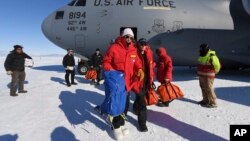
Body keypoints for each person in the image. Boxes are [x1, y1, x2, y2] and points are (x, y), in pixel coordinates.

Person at [96, 28, 142, 140]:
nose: (129, 39)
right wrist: (112, 73)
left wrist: (140, 69)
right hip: (115, 81)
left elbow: (136, 62)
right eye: (127, 36)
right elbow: (106, 61)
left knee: (123, 104)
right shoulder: (114, 48)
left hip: (126, 83)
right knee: (115, 103)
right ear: (122, 37)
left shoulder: (133, 50)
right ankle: (115, 126)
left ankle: (121, 123)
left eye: (131, 37)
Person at [132, 38, 154, 132]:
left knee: (141, 97)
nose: (143, 46)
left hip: (146, 82)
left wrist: (151, 80)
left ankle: (135, 107)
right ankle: (142, 124)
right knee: (143, 103)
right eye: (141, 44)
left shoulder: (148, 53)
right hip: (138, 82)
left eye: (145, 44)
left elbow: (151, 67)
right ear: (138, 44)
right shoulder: (134, 53)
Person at [197, 43, 221, 108]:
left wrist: (215, 71)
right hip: (201, 75)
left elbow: (217, 65)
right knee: (203, 87)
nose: (201, 50)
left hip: (208, 76)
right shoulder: (201, 55)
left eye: (203, 49)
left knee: (209, 88)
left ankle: (213, 102)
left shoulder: (212, 56)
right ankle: (205, 100)